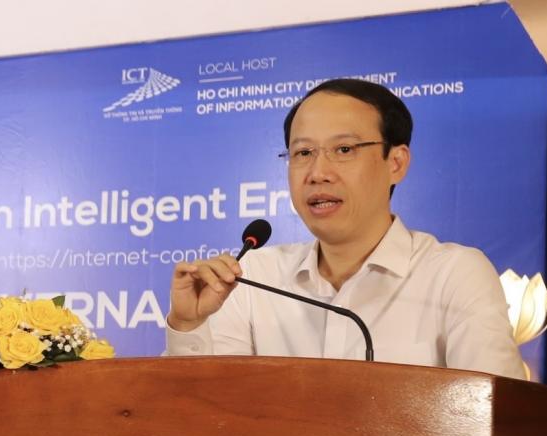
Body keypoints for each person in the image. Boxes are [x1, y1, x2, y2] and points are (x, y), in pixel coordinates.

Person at [165, 78, 525, 379]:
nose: (318, 173)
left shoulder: (454, 275)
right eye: (303, 153)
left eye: (344, 149)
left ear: (396, 163)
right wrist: (189, 325)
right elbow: (206, 414)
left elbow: (493, 418)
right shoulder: (252, 278)